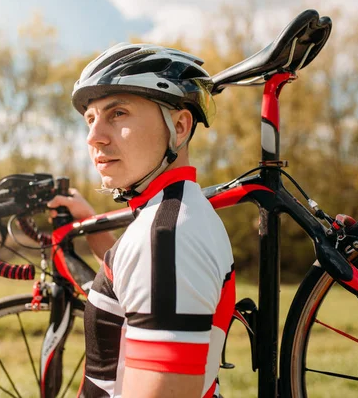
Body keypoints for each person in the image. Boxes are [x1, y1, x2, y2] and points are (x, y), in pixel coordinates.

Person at [47, 42, 235, 398]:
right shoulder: (170, 217)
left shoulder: (168, 239)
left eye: (117, 113)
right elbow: (134, 288)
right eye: (90, 118)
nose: (93, 137)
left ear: (179, 126)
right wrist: (89, 220)